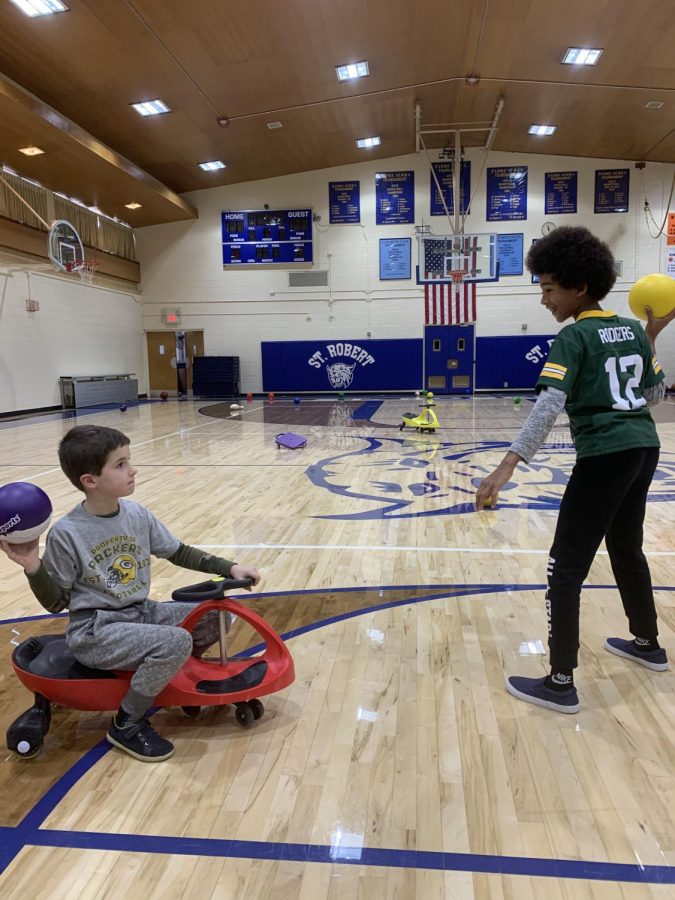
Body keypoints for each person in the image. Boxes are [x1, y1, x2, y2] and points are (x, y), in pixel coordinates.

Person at [475, 226, 675, 713]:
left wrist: (506, 467)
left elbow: (548, 406)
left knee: (564, 567)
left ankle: (560, 681)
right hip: (644, 448)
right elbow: (654, 397)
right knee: (626, 547)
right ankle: (648, 644)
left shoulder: (573, 335)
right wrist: (649, 338)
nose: (544, 299)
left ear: (578, 287)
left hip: (605, 455)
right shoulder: (631, 330)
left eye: (547, 287)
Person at [0, 425, 261, 760]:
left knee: (216, 615)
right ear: (89, 481)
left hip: (141, 612)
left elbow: (178, 551)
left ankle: (169, 683)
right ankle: (126, 722)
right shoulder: (67, 533)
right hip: (96, 630)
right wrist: (33, 566)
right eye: (120, 464)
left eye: (129, 460)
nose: (132, 469)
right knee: (176, 641)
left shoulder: (137, 515)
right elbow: (56, 603)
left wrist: (230, 568)